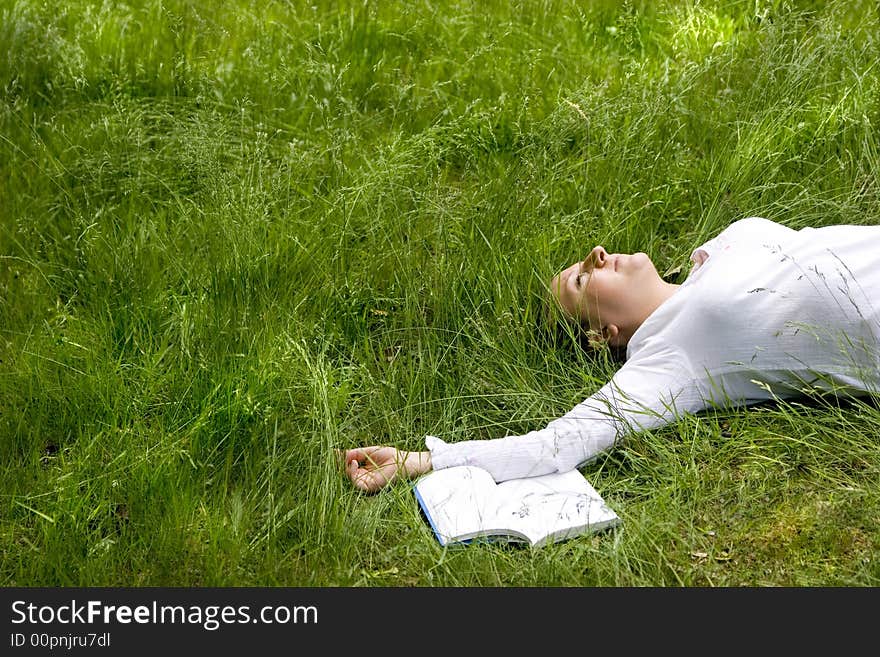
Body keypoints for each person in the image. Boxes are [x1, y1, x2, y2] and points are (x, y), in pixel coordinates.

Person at [341, 216, 880, 493]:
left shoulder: (722, 247)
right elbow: (558, 445)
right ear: (604, 334)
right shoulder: (674, 355)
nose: (596, 254)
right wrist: (420, 461)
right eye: (582, 278)